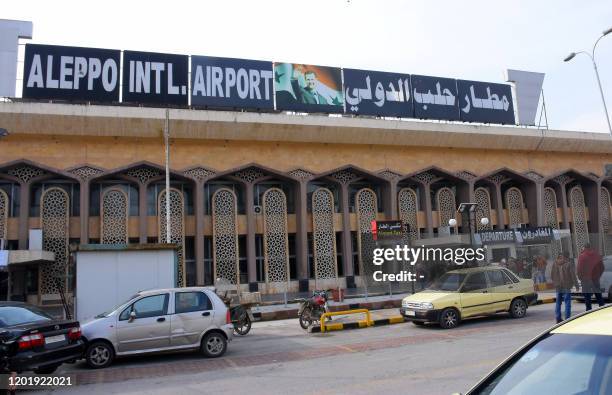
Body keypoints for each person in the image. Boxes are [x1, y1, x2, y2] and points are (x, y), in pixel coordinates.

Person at [577, 243, 605, 311]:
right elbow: (602, 267)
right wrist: (598, 275)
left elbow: (579, 269)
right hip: (595, 279)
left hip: (586, 280)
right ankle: (602, 309)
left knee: (587, 298)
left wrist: (581, 278)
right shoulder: (597, 255)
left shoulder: (582, 256)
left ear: (584, 248)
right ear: (591, 247)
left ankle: (589, 311)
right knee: (598, 296)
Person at [551, 253, 578, 323]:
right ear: (565, 257)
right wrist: (576, 285)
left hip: (558, 286)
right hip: (566, 286)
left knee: (558, 303)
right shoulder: (568, 264)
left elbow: (552, 275)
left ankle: (558, 318)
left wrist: (555, 282)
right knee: (567, 303)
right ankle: (567, 319)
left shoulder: (555, 264)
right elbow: (573, 275)